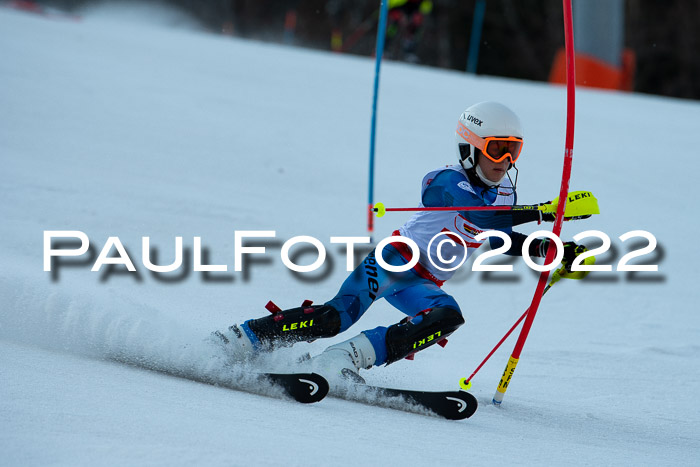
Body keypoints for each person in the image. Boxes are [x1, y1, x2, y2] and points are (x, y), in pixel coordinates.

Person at [214, 101, 590, 386]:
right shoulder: (445, 180)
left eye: (514, 150)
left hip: (423, 284)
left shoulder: (506, 192)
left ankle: (342, 359)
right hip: (394, 262)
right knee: (334, 318)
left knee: (446, 317)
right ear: (470, 148)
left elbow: (499, 235)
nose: (505, 161)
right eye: (496, 149)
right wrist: (544, 212)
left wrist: (549, 249)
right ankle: (241, 339)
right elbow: (480, 217)